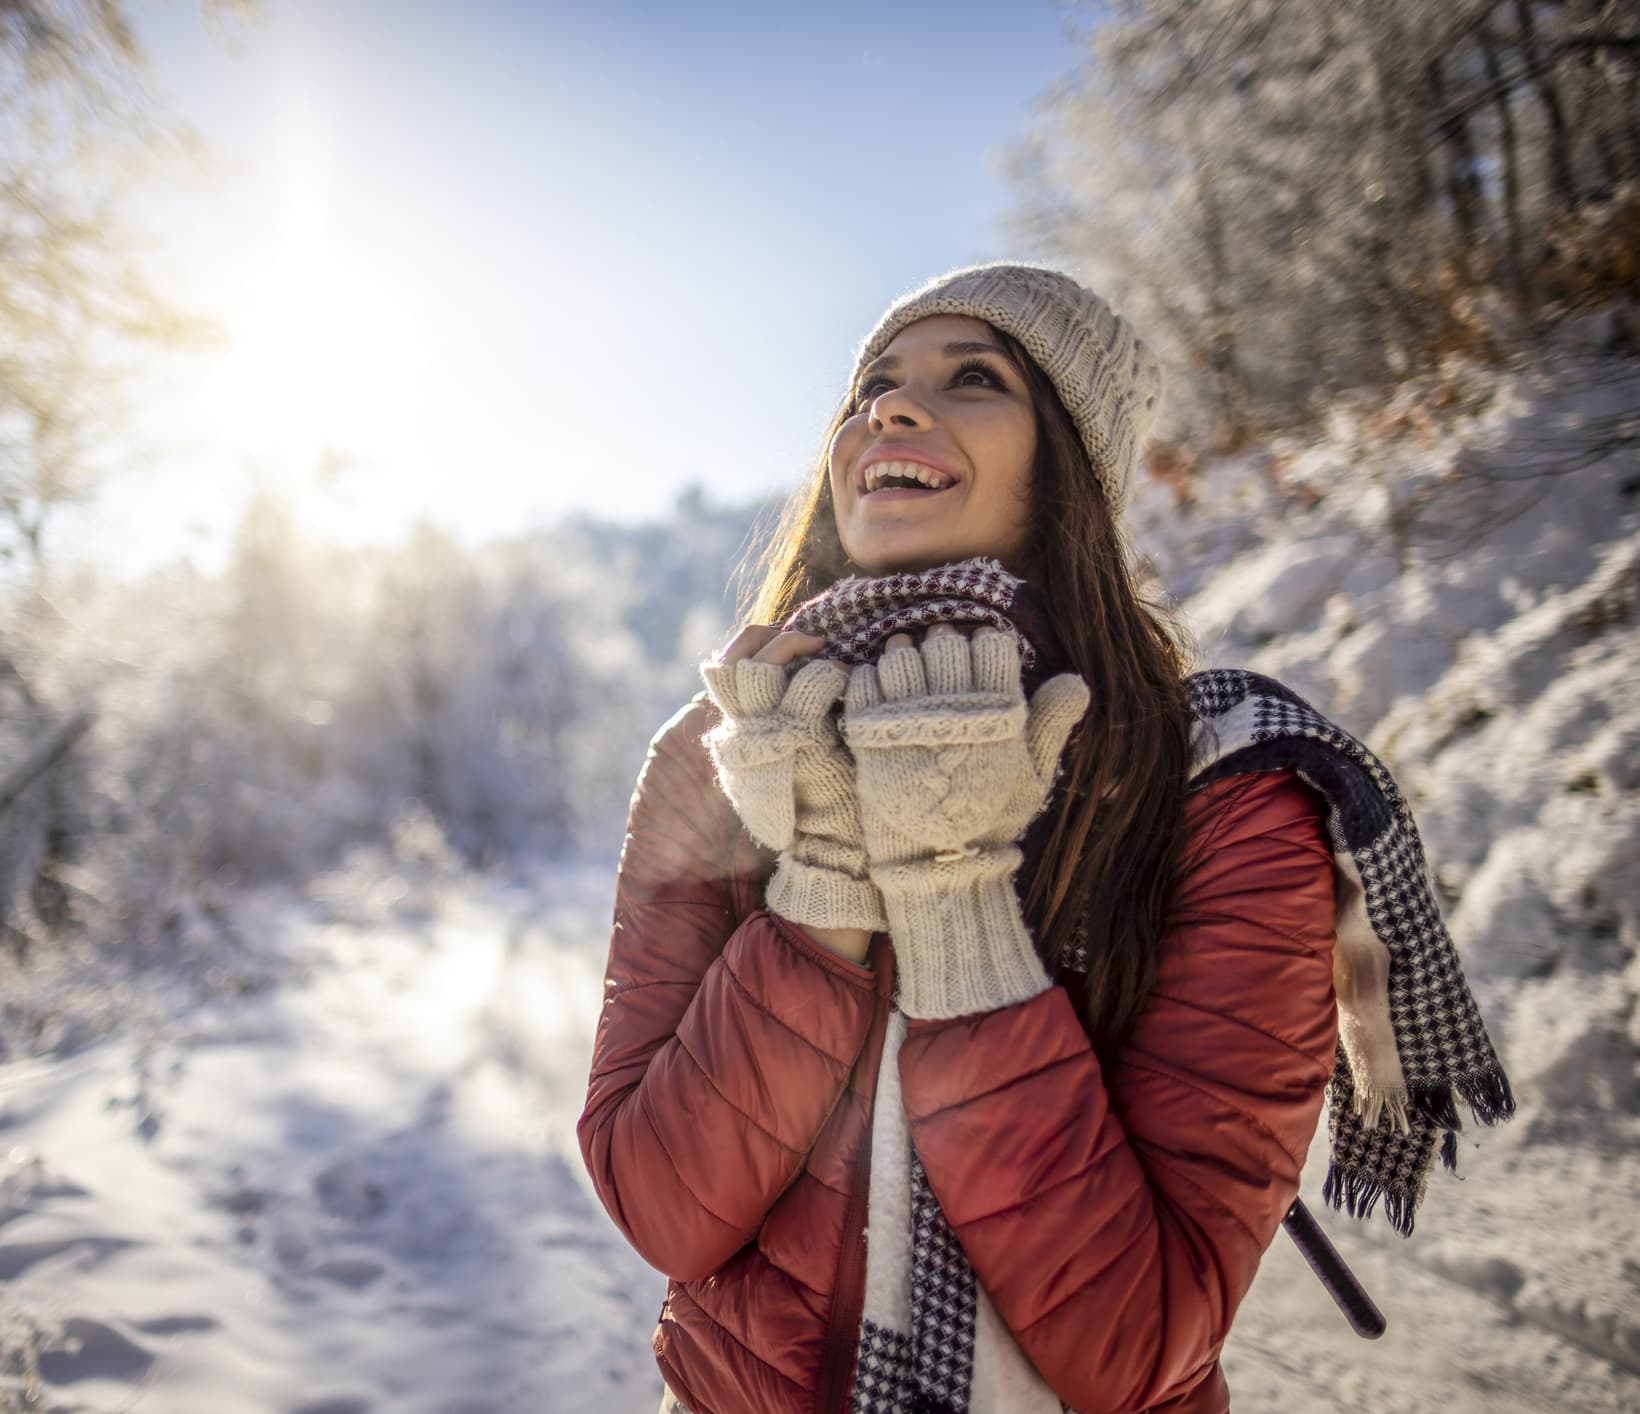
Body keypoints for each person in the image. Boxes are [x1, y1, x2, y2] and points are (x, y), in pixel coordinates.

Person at [575, 262, 1509, 1414]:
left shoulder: (1213, 788)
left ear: (1066, 469)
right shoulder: (721, 753)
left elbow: (1132, 1347)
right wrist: (823, 881)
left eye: (974, 378)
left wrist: (950, 894)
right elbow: (664, 1208)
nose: (889, 409)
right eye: (872, 383)